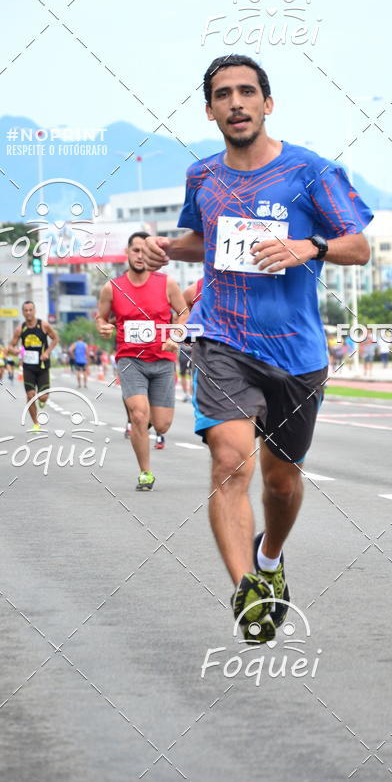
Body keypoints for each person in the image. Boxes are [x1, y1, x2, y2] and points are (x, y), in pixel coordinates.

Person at [142, 54, 372, 641]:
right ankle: (248, 590)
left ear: (267, 104)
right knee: (229, 460)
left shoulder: (311, 171)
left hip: (296, 353)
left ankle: (269, 559)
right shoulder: (202, 176)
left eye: (247, 92)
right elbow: (205, 239)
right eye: (223, 95)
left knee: (281, 484)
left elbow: (359, 246)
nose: (236, 103)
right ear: (210, 110)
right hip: (223, 338)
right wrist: (165, 248)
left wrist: (310, 247)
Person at [96, 231, 189, 490]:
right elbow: (101, 317)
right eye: (135, 250)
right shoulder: (112, 287)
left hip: (162, 359)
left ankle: (143, 421)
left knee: (162, 424)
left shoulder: (167, 283)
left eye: (143, 250)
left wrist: (176, 335)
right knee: (138, 414)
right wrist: (103, 326)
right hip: (130, 359)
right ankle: (145, 473)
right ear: (127, 253)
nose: (139, 255)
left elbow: (184, 313)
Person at [9, 302, 59, 432]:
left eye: (30, 310)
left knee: (43, 397)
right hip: (28, 367)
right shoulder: (20, 329)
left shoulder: (43, 325)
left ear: (35, 311)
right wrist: (14, 350)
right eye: (26, 310)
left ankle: (42, 400)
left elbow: (55, 339)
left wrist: (47, 353)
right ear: (23, 312)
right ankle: (36, 423)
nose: (28, 312)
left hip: (42, 366)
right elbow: (10, 346)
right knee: (30, 395)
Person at [178, 277, 203, 401]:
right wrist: (186, 334)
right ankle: (188, 394)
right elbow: (182, 315)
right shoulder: (192, 291)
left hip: (241, 356)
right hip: (202, 355)